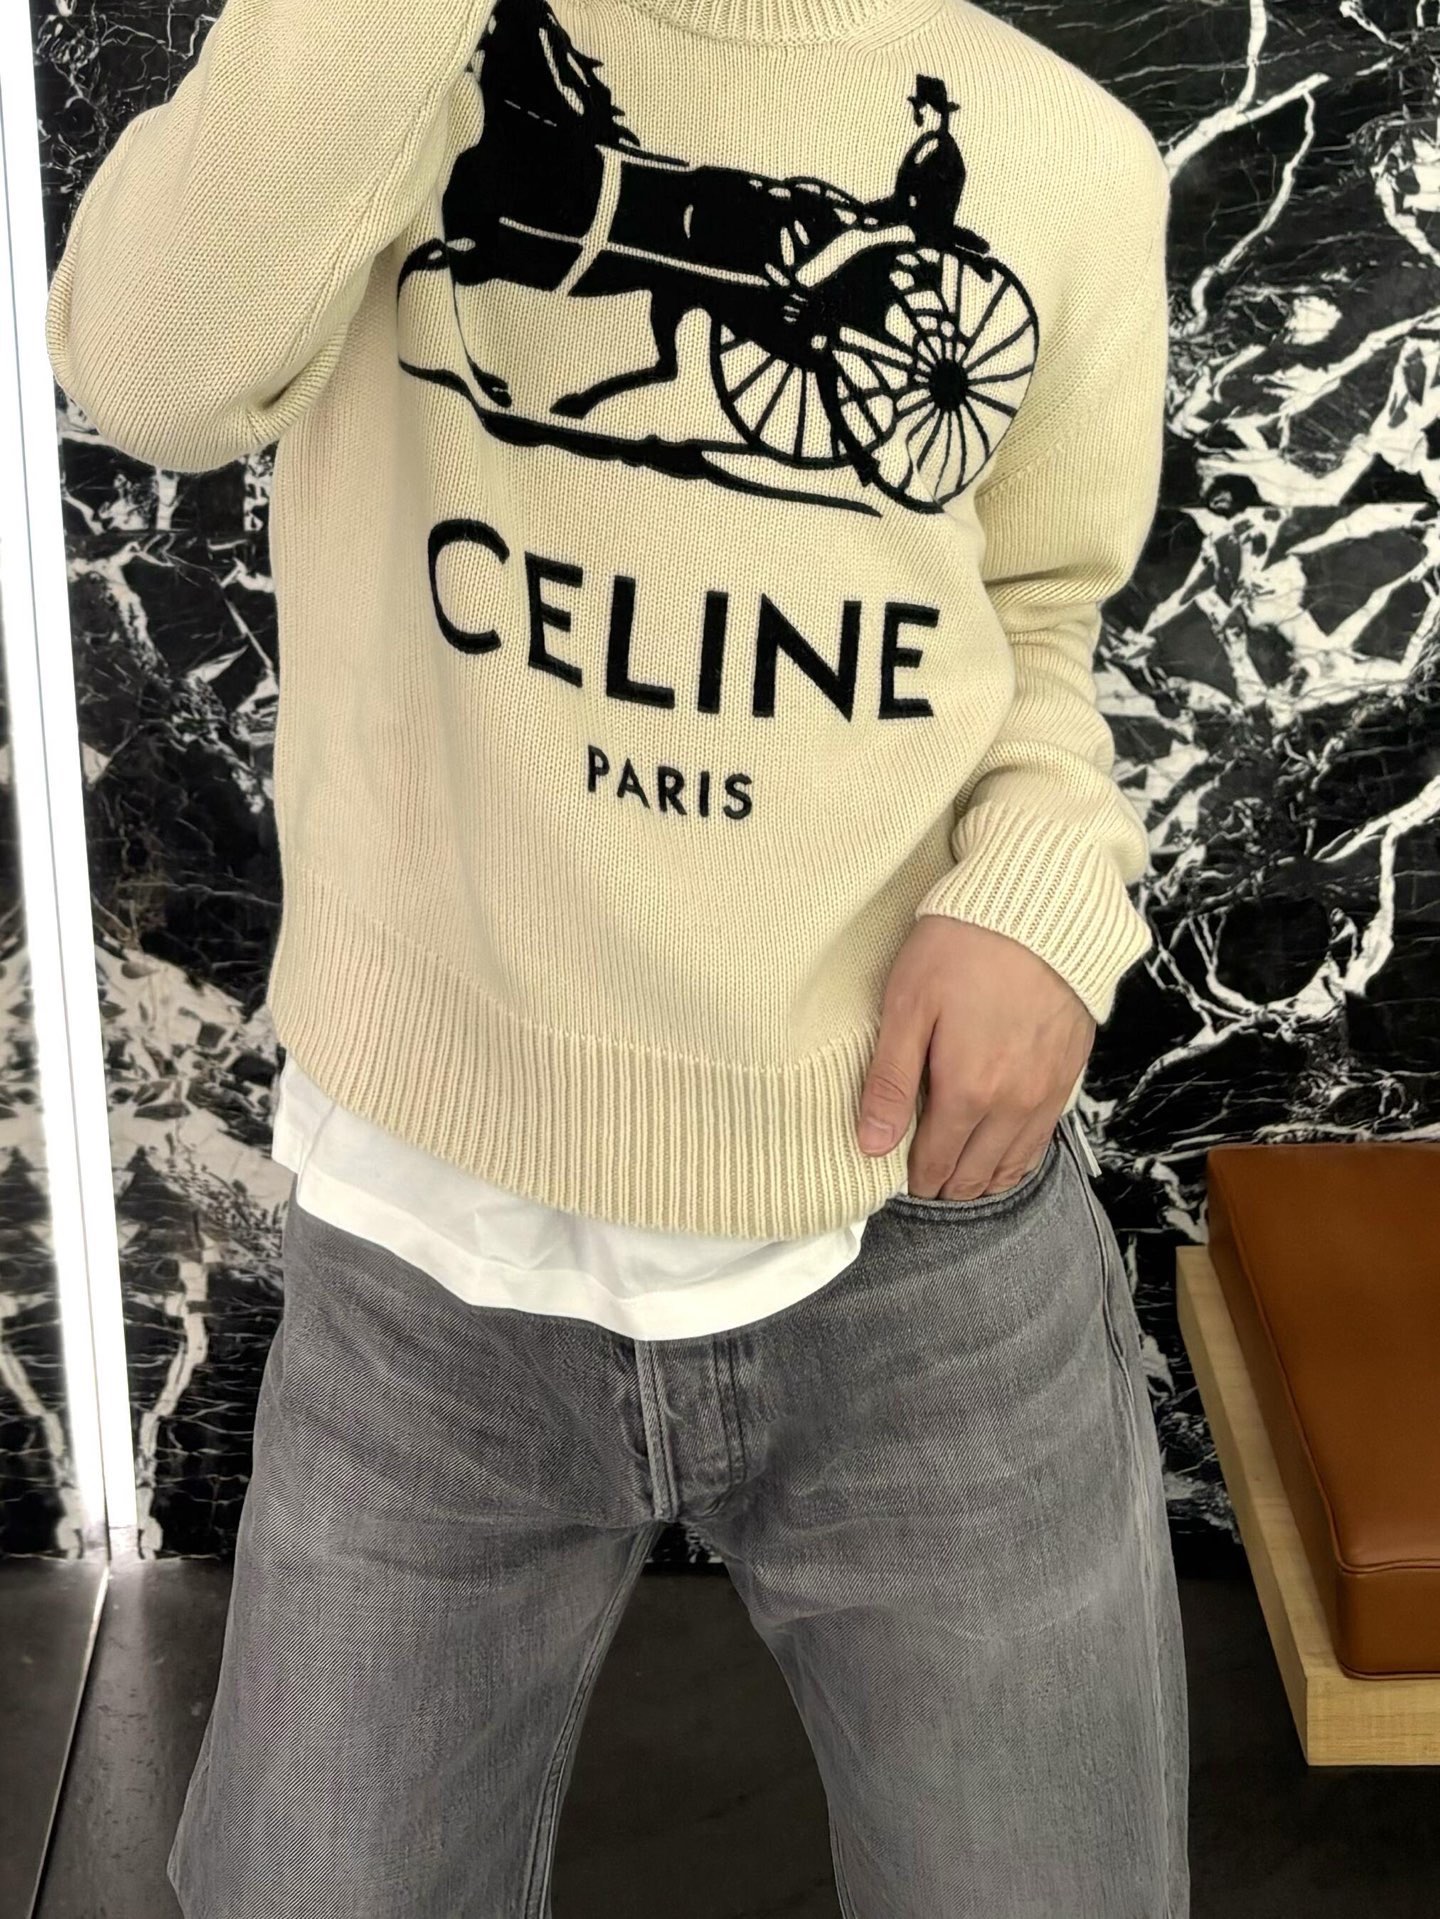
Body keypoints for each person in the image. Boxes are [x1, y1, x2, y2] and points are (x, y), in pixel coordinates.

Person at [44, 0, 1188, 1911]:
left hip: (912, 1233)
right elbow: (151, 377)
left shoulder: (1061, 146)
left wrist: (1039, 892)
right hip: (427, 1268)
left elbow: (1046, 621)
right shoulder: (400, 55)